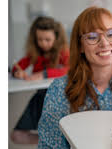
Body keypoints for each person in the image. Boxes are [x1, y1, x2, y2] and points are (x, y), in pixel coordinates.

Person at [37, 7, 112, 148]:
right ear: (80, 46)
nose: (105, 43)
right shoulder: (59, 89)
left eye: (111, 34)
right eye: (93, 37)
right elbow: (49, 145)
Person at [10, 16, 70, 144]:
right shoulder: (35, 54)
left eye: (48, 40)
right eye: (40, 40)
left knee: (65, 130)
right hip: (40, 98)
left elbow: (69, 69)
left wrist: (44, 74)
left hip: (60, 98)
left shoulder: (63, 52)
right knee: (16, 135)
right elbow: (17, 66)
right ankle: (51, 141)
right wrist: (17, 72)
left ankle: (56, 141)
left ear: (56, 38)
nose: (43, 43)